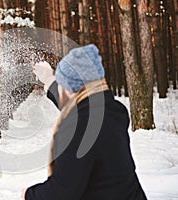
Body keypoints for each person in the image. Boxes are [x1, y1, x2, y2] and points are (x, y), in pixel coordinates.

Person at [22, 44, 147, 199]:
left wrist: (29, 195)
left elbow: (62, 191)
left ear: (69, 89)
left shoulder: (79, 127)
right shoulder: (111, 110)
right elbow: (77, 104)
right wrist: (49, 79)